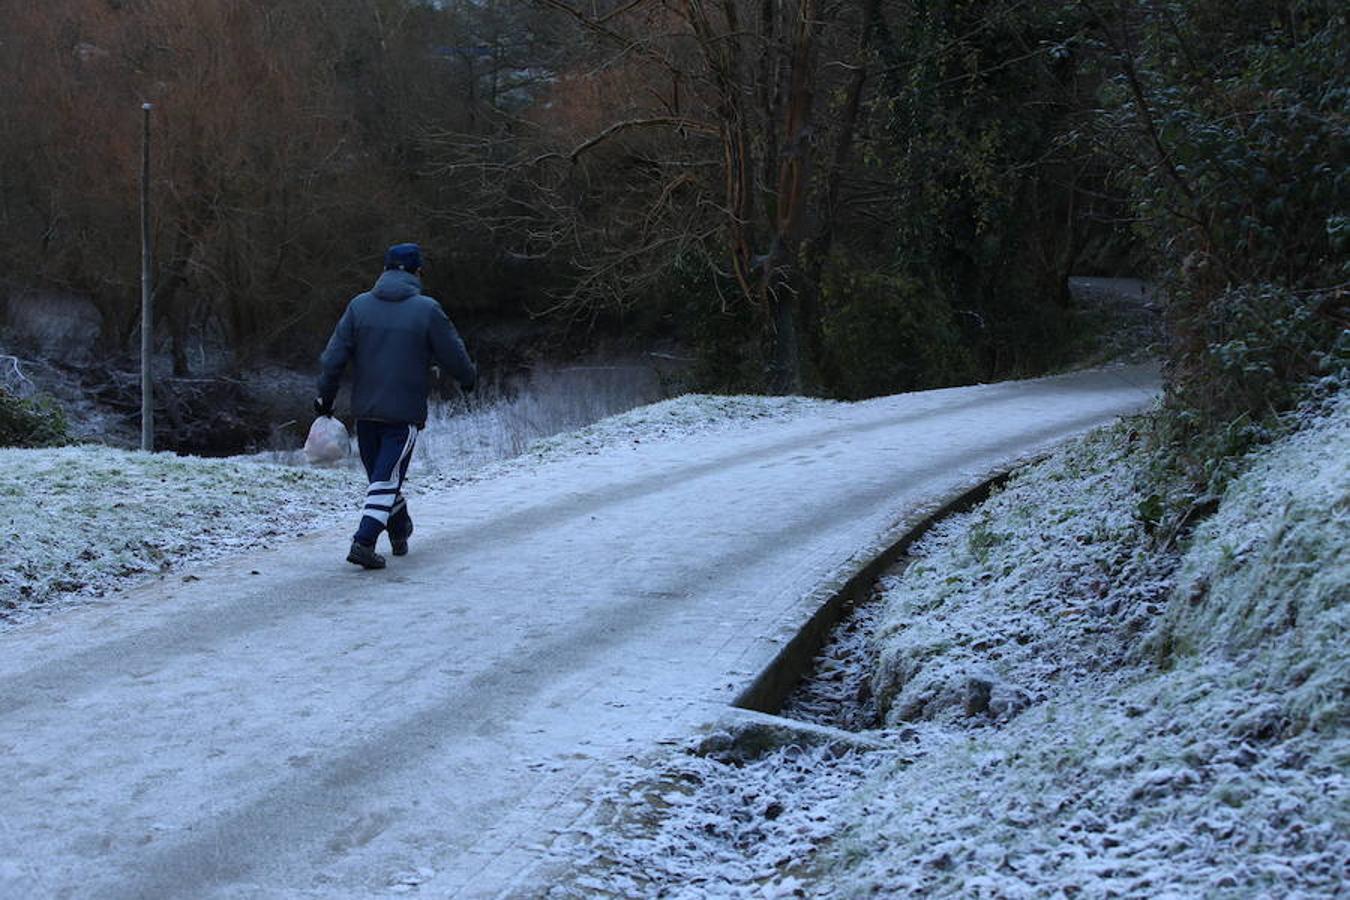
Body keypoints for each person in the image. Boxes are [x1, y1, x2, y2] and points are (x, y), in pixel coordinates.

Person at [315, 242, 476, 569]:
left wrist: (325, 399)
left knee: (382, 479)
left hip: (366, 412)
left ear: (385, 269)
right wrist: (467, 378)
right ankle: (363, 542)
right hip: (402, 414)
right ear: (417, 272)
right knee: (385, 481)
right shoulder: (427, 309)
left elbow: (333, 359)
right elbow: (452, 352)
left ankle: (399, 527)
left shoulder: (358, 307)